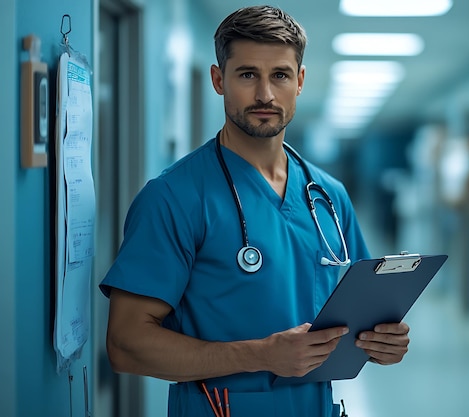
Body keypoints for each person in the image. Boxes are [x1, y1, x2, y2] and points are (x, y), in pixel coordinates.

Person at [100, 5, 410, 417]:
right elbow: (126, 346)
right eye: (247, 75)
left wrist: (384, 343)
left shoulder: (329, 196)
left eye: (280, 75)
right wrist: (262, 355)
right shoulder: (174, 197)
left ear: (299, 82)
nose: (265, 94)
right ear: (218, 80)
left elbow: (362, 314)